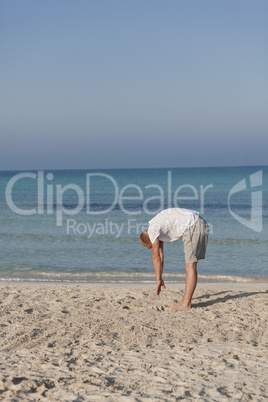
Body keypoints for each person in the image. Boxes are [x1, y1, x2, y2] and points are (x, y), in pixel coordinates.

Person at [140, 208, 208, 311]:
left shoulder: (153, 230)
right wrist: (160, 277)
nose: (154, 247)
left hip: (193, 225)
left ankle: (186, 304)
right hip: (195, 223)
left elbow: (156, 257)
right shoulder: (156, 225)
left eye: (151, 246)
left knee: (190, 265)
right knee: (190, 265)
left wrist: (158, 280)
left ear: (149, 240)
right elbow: (161, 256)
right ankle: (185, 300)